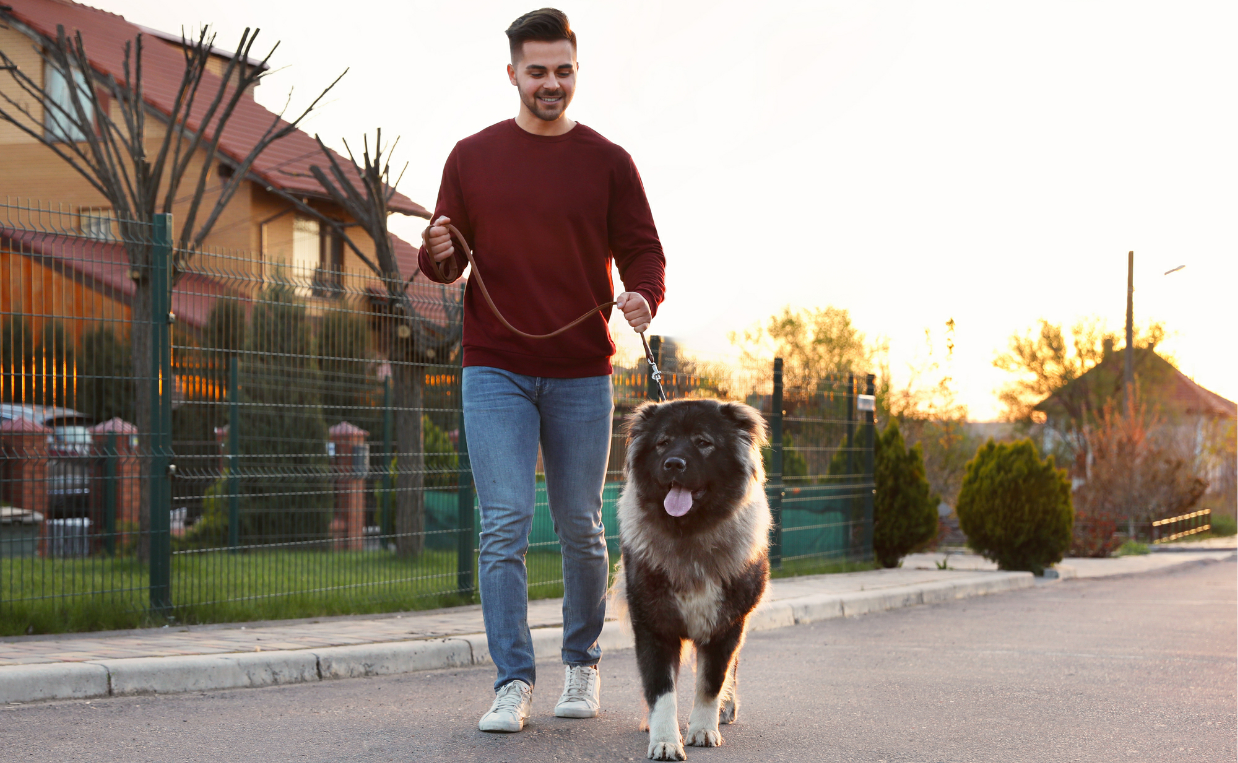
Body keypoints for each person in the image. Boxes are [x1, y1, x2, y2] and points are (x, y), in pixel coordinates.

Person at [417, 7, 666, 734]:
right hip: (494, 365)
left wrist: (643, 294)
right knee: (504, 526)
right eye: (537, 71)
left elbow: (643, 249)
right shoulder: (471, 157)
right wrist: (435, 249)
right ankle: (512, 680)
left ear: (575, 71)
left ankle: (583, 662)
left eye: (563, 70)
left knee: (582, 526)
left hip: (582, 371)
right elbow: (448, 259)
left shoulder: (608, 162)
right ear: (513, 74)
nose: (550, 83)